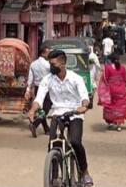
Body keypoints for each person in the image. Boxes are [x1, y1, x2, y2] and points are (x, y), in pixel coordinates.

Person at [28, 50, 93, 186]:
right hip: (57, 113)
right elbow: (39, 98)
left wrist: (83, 107)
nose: (50, 67)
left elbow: (84, 97)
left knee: (75, 142)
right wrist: (33, 109)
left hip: (75, 113)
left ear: (62, 64)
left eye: (53, 64)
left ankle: (84, 171)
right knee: (53, 143)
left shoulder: (76, 78)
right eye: (49, 63)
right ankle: (54, 176)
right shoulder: (47, 80)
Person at [25, 46, 51, 137]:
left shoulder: (33, 64)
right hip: (46, 88)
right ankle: (35, 124)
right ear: (43, 53)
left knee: (41, 109)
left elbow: (30, 79)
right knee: (46, 109)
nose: (49, 54)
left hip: (37, 88)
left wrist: (28, 89)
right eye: (48, 52)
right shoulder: (48, 65)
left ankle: (46, 129)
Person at [102, 54, 126, 132]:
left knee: (110, 106)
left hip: (111, 90)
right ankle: (119, 124)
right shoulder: (123, 68)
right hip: (121, 90)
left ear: (111, 60)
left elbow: (105, 79)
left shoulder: (108, 68)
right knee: (120, 106)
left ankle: (110, 122)